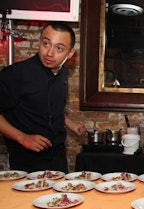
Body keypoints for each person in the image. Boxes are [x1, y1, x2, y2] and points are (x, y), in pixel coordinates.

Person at [0, 22, 86, 173]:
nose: (49, 53)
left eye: (59, 48)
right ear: (39, 42)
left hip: (57, 156)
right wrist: (22, 138)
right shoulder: (15, 74)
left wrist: (71, 124)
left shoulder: (62, 73)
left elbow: (48, 106)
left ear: (70, 53)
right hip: (27, 160)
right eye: (46, 43)